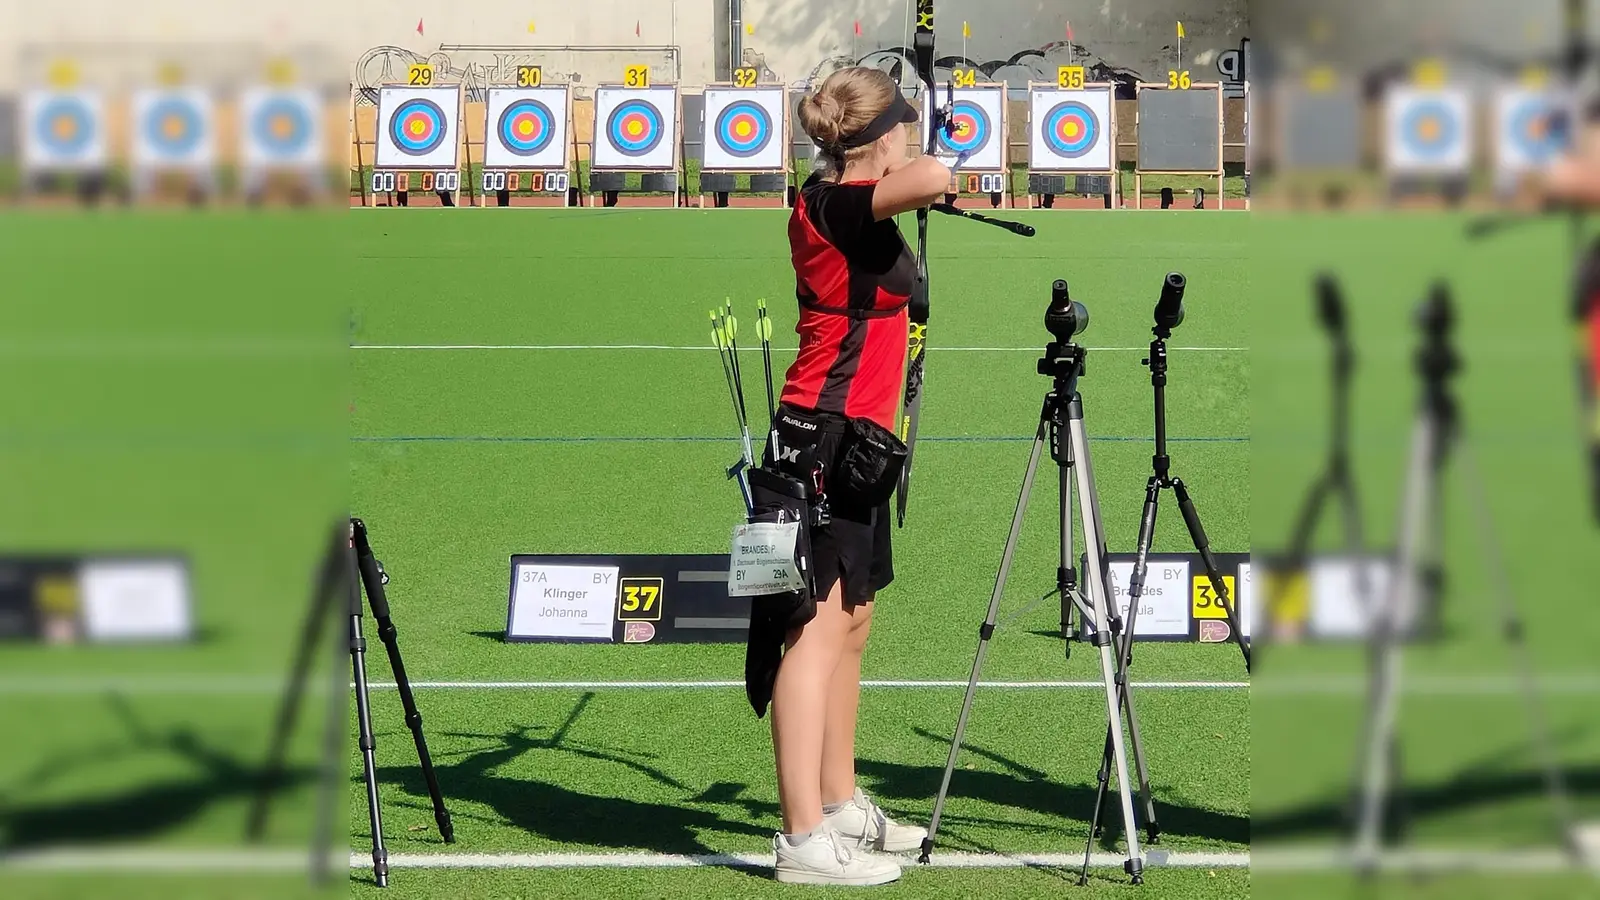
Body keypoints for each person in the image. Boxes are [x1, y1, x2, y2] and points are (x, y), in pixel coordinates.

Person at [753, 67, 951, 886]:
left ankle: (838, 803)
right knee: (815, 632)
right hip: (824, 439)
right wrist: (917, 167)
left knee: (854, 623)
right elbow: (935, 175)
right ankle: (802, 840)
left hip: (862, 440)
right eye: (902, 123)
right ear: (878, 139)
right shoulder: (831, 202)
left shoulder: (858, 200)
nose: (912, 135)